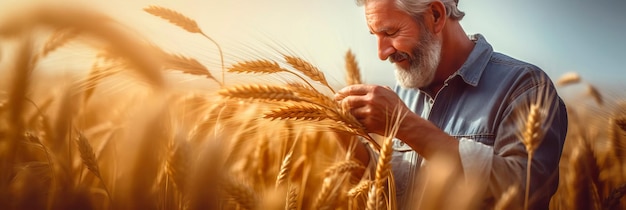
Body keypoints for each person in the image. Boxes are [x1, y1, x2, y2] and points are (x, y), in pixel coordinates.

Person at [334, 0, 568, 209]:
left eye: (391, 32)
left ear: (435, 15)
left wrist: (406, 125)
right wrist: (344, 137)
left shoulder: (523, 87)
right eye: (375, 35)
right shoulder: (404, 93)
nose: (381, 53)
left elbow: (525, 193)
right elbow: (391, 192)